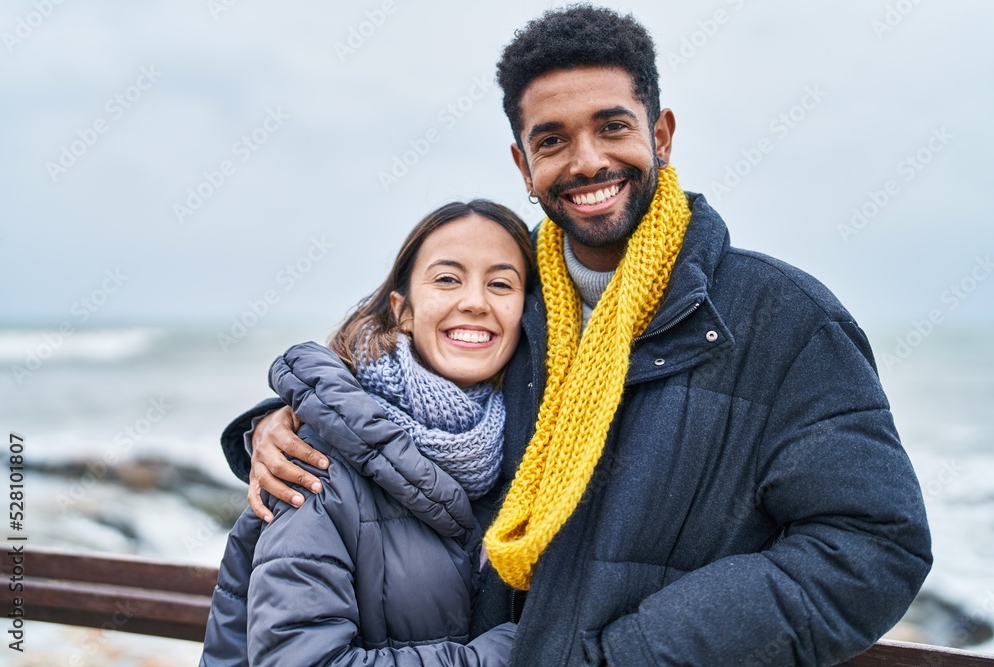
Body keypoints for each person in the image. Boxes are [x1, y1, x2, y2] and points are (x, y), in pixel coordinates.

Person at [221, 6, 932, 666]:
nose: (587, 160)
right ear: (523, 167)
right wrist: (279, 426)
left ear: (661, 134)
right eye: (553, 141)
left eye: (613, 126)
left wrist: (638, 649)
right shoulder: (508, 309)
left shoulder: (783, 317)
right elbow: (398, 410)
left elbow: (874, 545)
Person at [200, 200, 535, 666]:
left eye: (500, 283)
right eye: (446, 279)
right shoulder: (315, 457)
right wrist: (518, 654)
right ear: (402, 310)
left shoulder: (539, 446)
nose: (475, 301)